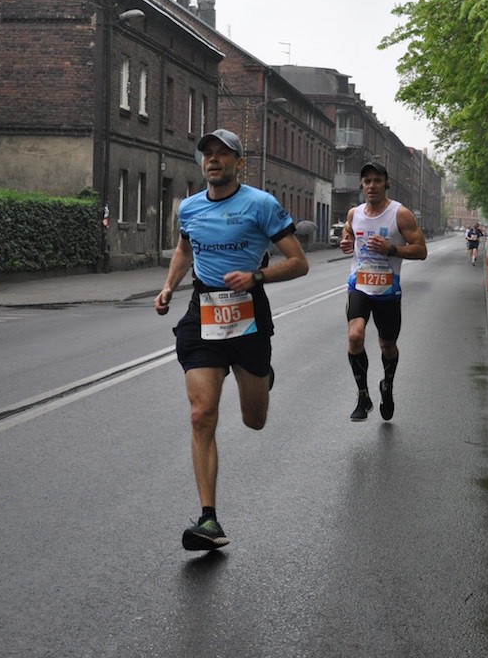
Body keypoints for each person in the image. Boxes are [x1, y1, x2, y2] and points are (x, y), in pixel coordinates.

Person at [153, 129, 309, 551]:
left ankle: (260, 374)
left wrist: (256, 275)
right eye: (208, 153)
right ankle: (209, 519)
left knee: (254, 420)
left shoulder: (261, 204)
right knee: (201, 413)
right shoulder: (190, 207)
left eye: (223, 154)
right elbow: (184, 250)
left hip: (248, 310)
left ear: (240, 163)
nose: (214, 159)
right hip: (203, 310)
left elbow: (299, 263)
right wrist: (168, 286)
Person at [339, 162, 428, 422]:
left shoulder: (400, 214)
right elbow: (348, 229)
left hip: (387, 291)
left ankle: (387, 386)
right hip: (359, 286)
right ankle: (363, 396)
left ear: (386, 184)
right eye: (367, 181)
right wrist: (347, 240)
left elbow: (421, 250)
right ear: (361, 185)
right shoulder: (355, 213)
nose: (372, 186)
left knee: (387, 345)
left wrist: (392, 249)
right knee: (355, 336)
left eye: (377, 180)